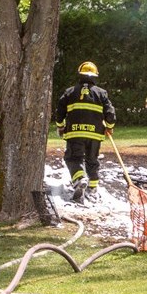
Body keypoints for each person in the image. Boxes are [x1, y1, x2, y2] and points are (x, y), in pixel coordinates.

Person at [54, 61, 116, 203]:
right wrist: (110, 126)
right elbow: (110, 112)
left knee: (74, 158)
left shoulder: (69, 92)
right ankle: (93, 190)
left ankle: (80, 179)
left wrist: (60, 126)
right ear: (95, 77)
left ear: (79, 75)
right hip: (94, 135)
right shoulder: (101, 93)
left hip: (75, 133)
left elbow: (60, 111)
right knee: (92, 161)